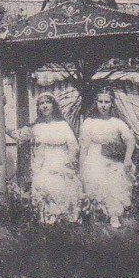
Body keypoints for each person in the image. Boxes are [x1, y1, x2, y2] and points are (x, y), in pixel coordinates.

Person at [9, 93, 82, 222]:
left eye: (47, 102)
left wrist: (70, 162)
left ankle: (61, 217)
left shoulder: (62, 125)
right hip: (42, 162)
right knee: (43, 187)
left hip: (60, 160)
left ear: (53, 105)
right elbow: (19, 136)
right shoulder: (36, 126)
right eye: (41, 103)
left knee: (59, 187)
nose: (44, 106)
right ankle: (47, 217)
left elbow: (73, 145)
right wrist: (5, 127)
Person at [79, 86, 135, 228]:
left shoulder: (117, 122)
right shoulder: (89, 123)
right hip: (94, 156)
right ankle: (97, 216)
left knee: (114, 186)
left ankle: (114, 216)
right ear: (96, 103)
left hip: (113, 158)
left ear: (112, 103)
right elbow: (84, 147)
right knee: (96, 183)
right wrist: (81, 167)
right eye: (100, 102)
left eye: (107, 102)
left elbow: (130, 140)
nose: (103, 105)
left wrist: (128, 159)